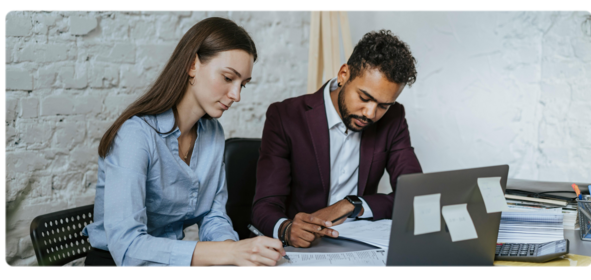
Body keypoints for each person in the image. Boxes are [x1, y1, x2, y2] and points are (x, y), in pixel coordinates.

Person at [83, 17, 286, 269]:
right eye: (227, 78)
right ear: (192, 65)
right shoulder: (135, 136)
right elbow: (129, 249)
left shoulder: (213, 133)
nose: (236, 95)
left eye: (242, 84)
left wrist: (236, 253)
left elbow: (213, 215)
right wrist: (230, 252)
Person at [252, 30, 423, 248]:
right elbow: (264, 205)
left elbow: (414, 194)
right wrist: (286, 229)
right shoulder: (286, 116)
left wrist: (353, 204)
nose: (370, 113)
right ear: (344, 74)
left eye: (383, 105)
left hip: (361, 244)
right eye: (364, 97)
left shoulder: (394, 118)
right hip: (302, 247)